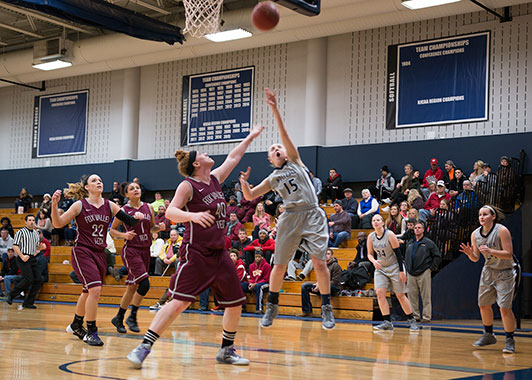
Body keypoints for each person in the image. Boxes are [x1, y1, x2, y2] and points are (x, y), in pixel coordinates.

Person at [127, 124, 263, 368]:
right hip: (196, 252)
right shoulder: (187, 185)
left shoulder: (213, 179)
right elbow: (170, 212)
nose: (206, 154)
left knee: (235, 302)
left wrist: (251, 137)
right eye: (201, 154)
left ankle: (226, 350)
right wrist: (193, 217)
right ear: (196, 164)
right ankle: (144, 346)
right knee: (179, 302)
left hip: (219, 252)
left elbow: (234, 157)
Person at [239, 88, 335, 330]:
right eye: (272, 150)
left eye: (278, 147)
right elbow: (250, 195)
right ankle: (272, 305)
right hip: (290, 217)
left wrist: (274, 108)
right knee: (279, 264)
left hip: (312, 213)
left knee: (320, 263)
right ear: (270, 160)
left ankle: (326, 308)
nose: (277, 149)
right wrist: (243, 182)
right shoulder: (272, 178)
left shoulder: (295, 160)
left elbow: (284, 133)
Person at [51, 174, 144, 346]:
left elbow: (129, 221)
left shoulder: (110, 205)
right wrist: (54, 206)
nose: (99, 182)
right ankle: (91, 331)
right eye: (94, 181)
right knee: (95, 290)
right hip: (83, 252)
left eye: (100, 180)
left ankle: (76, 324)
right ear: (87, 187)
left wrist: (137, 217)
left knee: (87, 291)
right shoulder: (80, 205)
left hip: (100, 253)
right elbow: (58, 224)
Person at [459, 206, 518, 354]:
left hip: (506, 272)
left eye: (485, 214)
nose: (482, 217)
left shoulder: (501, 230)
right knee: (483, 304)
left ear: (493, 216)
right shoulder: (475, 234)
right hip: (488, 271)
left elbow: (509, 254)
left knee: (504, 307)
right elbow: (475, 258)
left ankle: (510, 339)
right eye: (480, 214)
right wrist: (469, 254)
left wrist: (491, 251)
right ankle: (488, 334)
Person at [110, 181, 166, 334]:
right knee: (145, 284)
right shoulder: (123, 210)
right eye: (132, 189)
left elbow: (151, 227)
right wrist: (124, 235)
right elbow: (112, 230)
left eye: (137, 187)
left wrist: (159, 228)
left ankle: (118, 318)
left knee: (132, 287)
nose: (136, 190)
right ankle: (132, 316)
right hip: (131, 250)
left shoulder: (148, 207)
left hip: (145, 250)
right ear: (126, 194)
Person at [367, 214, 418, 331]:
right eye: (373, 220)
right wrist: (373, 261)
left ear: (382, 223)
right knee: (380, 293)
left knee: (400, 295)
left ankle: (411, 320)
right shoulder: (371, 237)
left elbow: (399, 254)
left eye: (378, 220)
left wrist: (401, 271)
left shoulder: (390, 235)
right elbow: (369, 254)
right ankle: (387, 322)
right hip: (380, 268)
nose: (376, 222)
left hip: (395, 266)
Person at [404, 221, 441, 323]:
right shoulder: (410, 242)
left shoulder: (429, 243)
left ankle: (426, 317)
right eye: (415, 228)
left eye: (419, 228)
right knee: (411, 296)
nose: (417, 229)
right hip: (411, 273)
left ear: (423, 230)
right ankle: (415, 316)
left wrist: (431, 268)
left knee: (425, 296)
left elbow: (437, 256)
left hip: (424, 272)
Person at [5, 214, 43, 309]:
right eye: (29, 220)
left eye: (33, 220)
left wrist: (41, 248)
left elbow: (36, 247)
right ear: (25, 222)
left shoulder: (35, 233)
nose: (31, 222)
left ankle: (28, 302)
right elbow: (15, 246)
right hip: (23, 257)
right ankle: (11, 294)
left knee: (38, 280)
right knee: (28, 279)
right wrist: (22, 256)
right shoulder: (20, 232)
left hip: (32, 258)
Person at [300, 249, 342, 317]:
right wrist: (317, 284)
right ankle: (307, 311)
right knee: (304, 286)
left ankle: (324, 312)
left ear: (332, 256)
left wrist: (321, 284)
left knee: (324, 287)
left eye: (328, 254)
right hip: (321, 286)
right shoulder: (321, 266)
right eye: (325, 254)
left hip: (334, 288)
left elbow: (335, 282)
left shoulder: (336, 266)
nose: (326, 256)